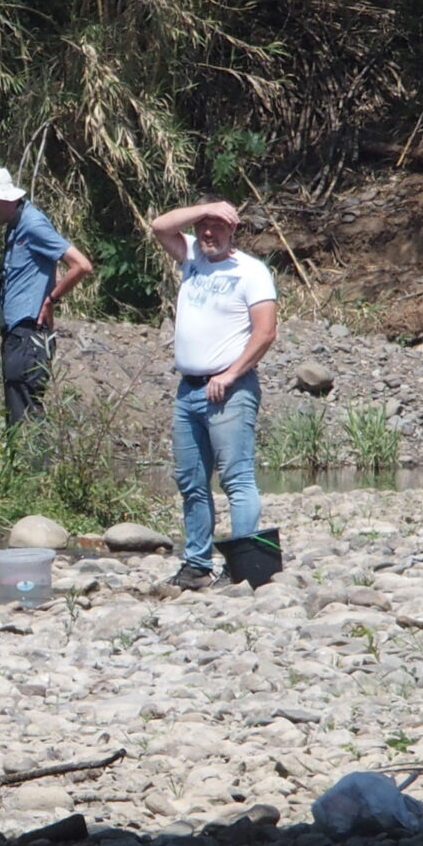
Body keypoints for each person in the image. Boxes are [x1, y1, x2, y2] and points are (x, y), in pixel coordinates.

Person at [150, 200, 278, 589]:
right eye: (203, 226)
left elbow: (265, 332)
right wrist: (207, 207)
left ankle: (242, 566)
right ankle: (197, 564)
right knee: (191, 481)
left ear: (233, 230)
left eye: (218, 226)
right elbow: (159, 226)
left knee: (236, 479)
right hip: (188, 389)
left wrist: (231, 373)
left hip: (231, 390)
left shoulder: (251, 272)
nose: (208, 233)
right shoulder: (192, 257)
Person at [0, 166, 95, 425]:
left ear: (0, 199)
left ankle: (35, 455)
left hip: (28, 335)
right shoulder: (16, 226)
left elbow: (81, 265)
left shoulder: (32, 224)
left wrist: (51, 300)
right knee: (18, 415)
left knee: (25, 419)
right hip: (17, 334)